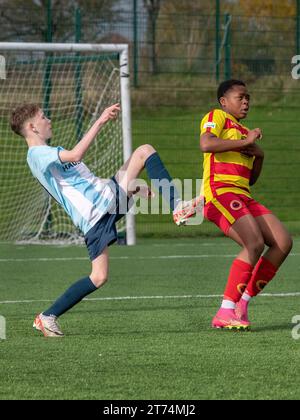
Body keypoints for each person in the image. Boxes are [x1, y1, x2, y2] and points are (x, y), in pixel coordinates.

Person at [10, 103, 200, 337]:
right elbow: (77, 154)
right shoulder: (37, 154)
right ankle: (47, 316)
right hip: (94, 214)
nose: (48, 120)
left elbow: (87, 183)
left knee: (144, 151)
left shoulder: (50, 152)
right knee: (99, 277)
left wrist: (129, 188)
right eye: (43, 117)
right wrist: (100, 120)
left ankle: (178, 206)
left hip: (105, 200)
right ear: (31, 127)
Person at [200, 79, 293, 330]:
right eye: (240, 97)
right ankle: (225, 311)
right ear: (223, 101)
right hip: (221, 194)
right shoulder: (217, 116)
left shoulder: (244, 132)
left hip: (243, 195)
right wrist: (245, 142)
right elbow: (206, 144)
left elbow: (250, 178)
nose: (246, 102)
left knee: (283, 241)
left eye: (248, 98)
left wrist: (259, 155)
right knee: (254, 243)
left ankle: (242, 303)